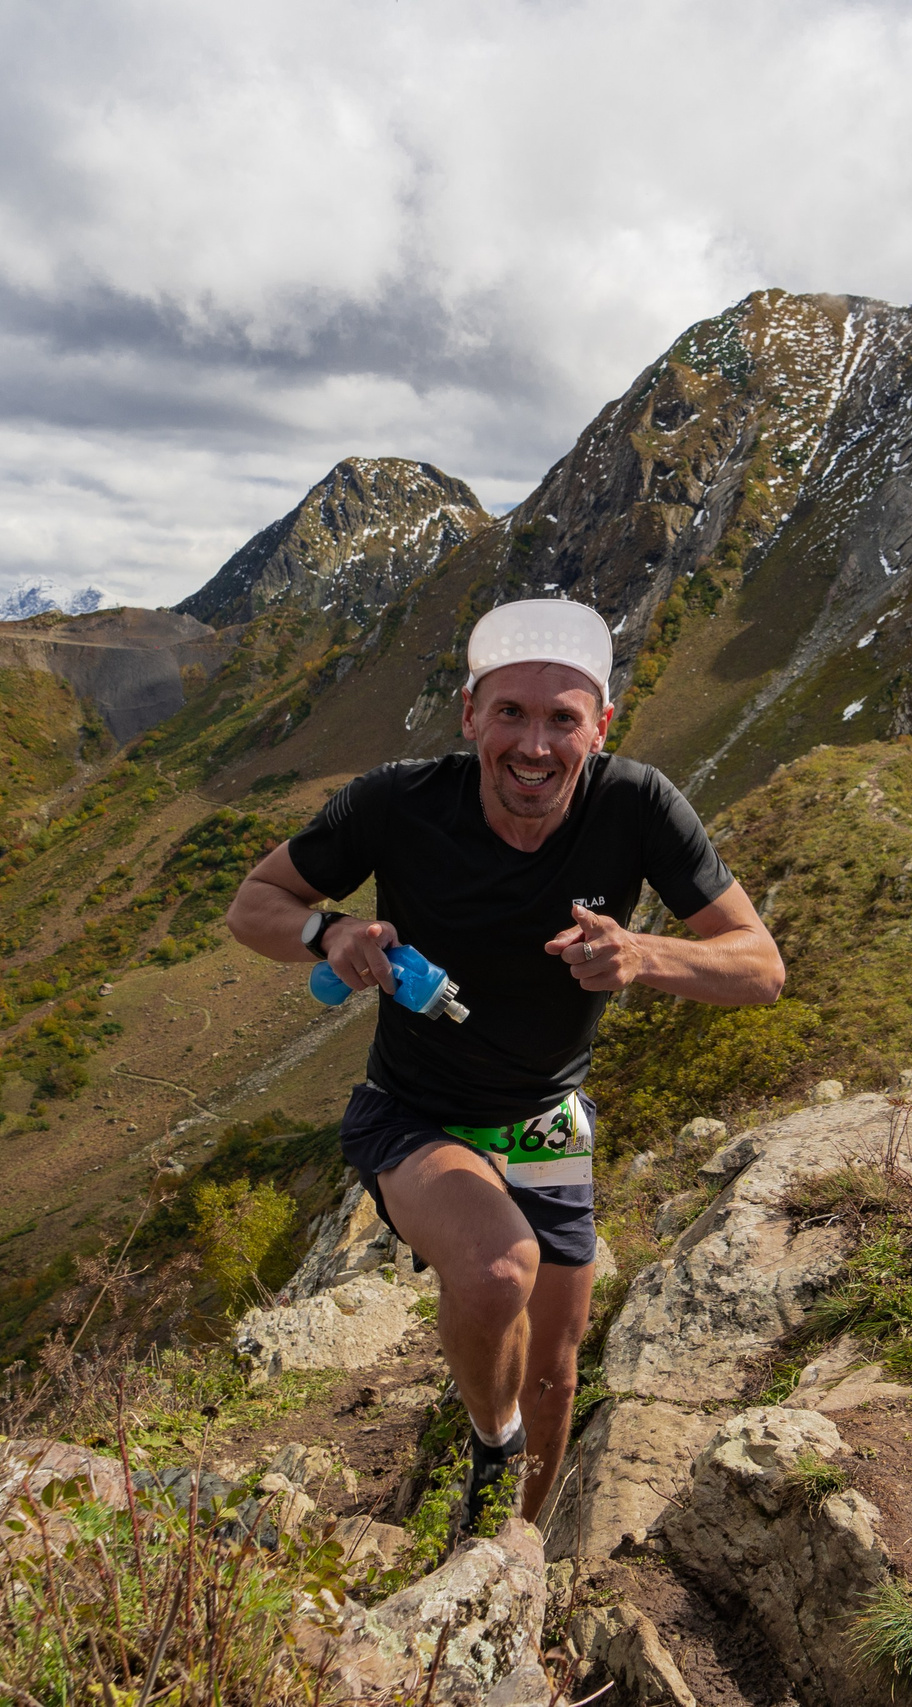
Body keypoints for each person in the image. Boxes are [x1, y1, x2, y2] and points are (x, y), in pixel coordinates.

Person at [225, 598, 785, 1525]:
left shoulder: (637, 804)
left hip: (544, 1114)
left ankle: (512, 1544)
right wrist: (329, 932)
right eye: (510, 714)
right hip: (416, 1110)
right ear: (469, 715)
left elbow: (760, 966)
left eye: (563, 718)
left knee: (555, 1374)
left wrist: (642, 954)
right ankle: (492, 1442)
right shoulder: (397, 802)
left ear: (600, 727)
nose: (534, 745)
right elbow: (255, 903)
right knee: (496, 1270)